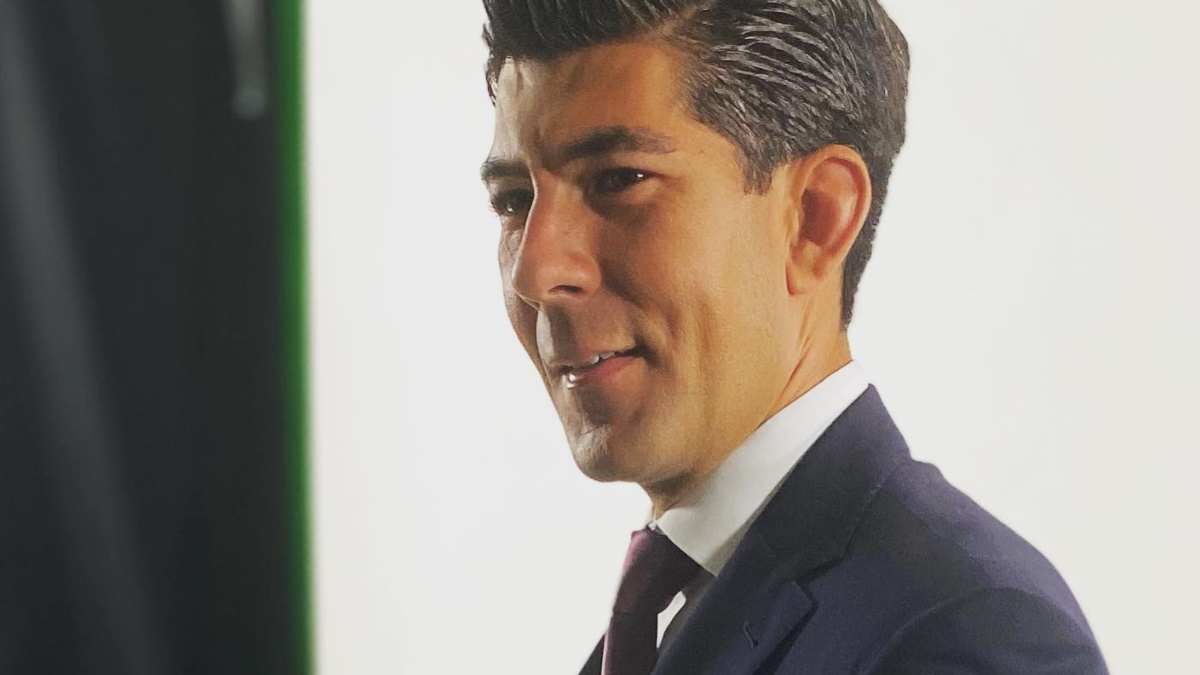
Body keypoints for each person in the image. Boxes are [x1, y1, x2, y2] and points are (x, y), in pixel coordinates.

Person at [478, 1, 1108, 673]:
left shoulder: (971, 637)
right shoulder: (679, 611)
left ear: (815, 218)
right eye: (514, 200)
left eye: (617, 180)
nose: (535, 272)